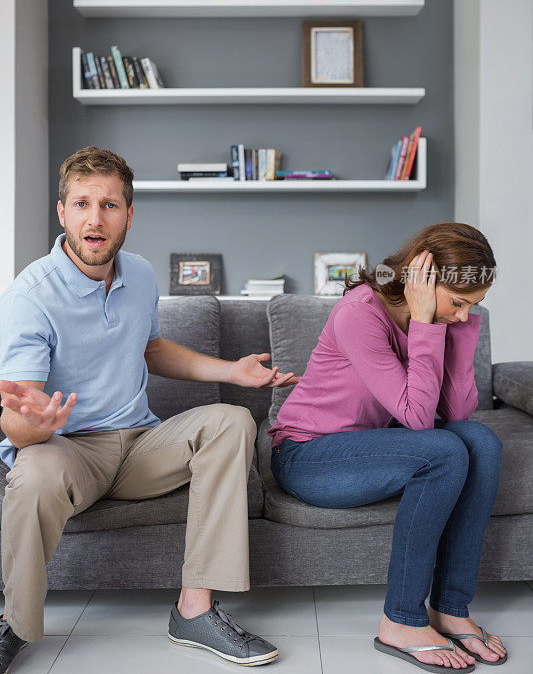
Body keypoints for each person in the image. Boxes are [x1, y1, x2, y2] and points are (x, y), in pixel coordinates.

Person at [0, 146, 299, 673]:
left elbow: (150, 348)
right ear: (62, 211)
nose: (96, 218)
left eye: (110, 205)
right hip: (68, 448)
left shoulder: (138, 273)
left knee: (232, 420)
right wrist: (36, 424)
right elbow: (17, 418)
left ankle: (195, 611)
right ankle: (15, 626)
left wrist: (232, 371)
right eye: (83, 204)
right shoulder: (30, 295)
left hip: (140, 443)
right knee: (33, 472)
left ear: (129, 215)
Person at [269, 223, 508, 672]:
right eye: (458, 303)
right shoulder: (360, 312)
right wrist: (424, 321)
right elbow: (419, 420)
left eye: (472, 307)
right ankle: (401, 619)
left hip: (373, 447)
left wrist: (448, 327)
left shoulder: (439, 320)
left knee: (481, 441)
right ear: (422, 280)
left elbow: (456, 412)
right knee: (443, 451)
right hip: (308, 454)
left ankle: (451, 609)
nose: (461, 315)